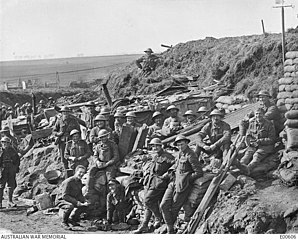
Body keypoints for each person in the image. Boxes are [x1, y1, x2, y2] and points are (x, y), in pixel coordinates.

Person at [160, 135, 203, 234]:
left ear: (187, 143)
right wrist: (167, 174)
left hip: (183, 186)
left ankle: (170, 230)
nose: (180, 146)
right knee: (163, 205)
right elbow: (176, 166)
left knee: (174, 208)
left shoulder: (191, 155)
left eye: (182, 144)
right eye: (178, 145)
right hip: (174, 182)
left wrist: (186, 179)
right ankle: (169, 226)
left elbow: (198, 172)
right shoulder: (180, 154)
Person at [133, 138, 175, 234]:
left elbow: (175, 165)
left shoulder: (168, 156)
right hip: (151, 182)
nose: (155, 147)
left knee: (147, 201)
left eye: (157, 145)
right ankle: (144, 225)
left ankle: (158, 217)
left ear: (161, 146)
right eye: (153, 146)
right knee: (147, 205)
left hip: (160, 184)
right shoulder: (155, 156)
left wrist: (167, 175)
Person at [234, 108, 276, 175]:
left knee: (257, 155)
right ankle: (240, 165)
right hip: (254, 144)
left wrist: (259, 141)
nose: (258, 115)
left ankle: (248, 168)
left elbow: (272, 139)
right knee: (248, 154)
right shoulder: (252, 123)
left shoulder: (269, 124)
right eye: (256, 114)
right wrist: (249, 142)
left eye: (260, 114)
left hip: (265, 146)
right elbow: (248, 134)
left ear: (264, 114)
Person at [52, 106, 86, 176]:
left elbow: (78, 130)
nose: (65, 113)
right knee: (63, 157)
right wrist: (58, 134)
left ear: (69, 113)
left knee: (73, 155)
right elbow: (54, 131)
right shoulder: (59, 121)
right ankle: (66, 171)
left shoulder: (73, 120)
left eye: (67, 112)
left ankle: (76, 171)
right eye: (64, 112)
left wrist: (79, 139)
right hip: (62, 141)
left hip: (72, 140)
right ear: (62, 113)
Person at [55, 165, 89, 229]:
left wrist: (84, 200)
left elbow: (79, 194)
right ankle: (64, 222)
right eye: (80, 172)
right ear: (76, 172)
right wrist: (76, 202)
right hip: (61, 199)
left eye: (83, 173)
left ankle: (72, 220)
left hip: (70, 198)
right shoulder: (69, 181)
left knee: (84, 205)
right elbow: (64, 196)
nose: (81, 174)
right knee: (70, 206)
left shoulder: (79, 182)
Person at [87, 129, 120, 196]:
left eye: (105, 136)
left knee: (109, 178)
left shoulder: (112, 144)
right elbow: (95, 156)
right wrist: (97, 162)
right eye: (101, 137)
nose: (103, 138)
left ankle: (110, 195)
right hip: (100, 164)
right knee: (91, 171)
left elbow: (116, 157)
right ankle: (89, 190)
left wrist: (108, 163)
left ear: (107, 136)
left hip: (109, 165)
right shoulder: (98, 145)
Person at [0, 136, 20, 208]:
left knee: (11, 185)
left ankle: (10, 201)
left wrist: (15, 168)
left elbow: (17, 160)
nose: (5, 144)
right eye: (3, 142)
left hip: (11, 169)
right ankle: (0, 203)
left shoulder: (12, 151)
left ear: (9, 143)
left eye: (7, 143)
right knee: (1, 186)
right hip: (2, 170)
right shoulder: (0, 151)